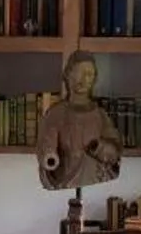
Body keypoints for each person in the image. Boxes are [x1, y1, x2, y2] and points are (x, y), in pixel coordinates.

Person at [37, 50, 123, 191]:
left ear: (94, 79)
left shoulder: (100, 115)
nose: (82, 79)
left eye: (88, 74)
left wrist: (100, 148)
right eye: (77, 72)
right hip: (66, 179)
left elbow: (114, 152)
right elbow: (46, 145)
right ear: (68, 75)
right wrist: (49, 156)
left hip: (95, 178)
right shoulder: (56, 114)